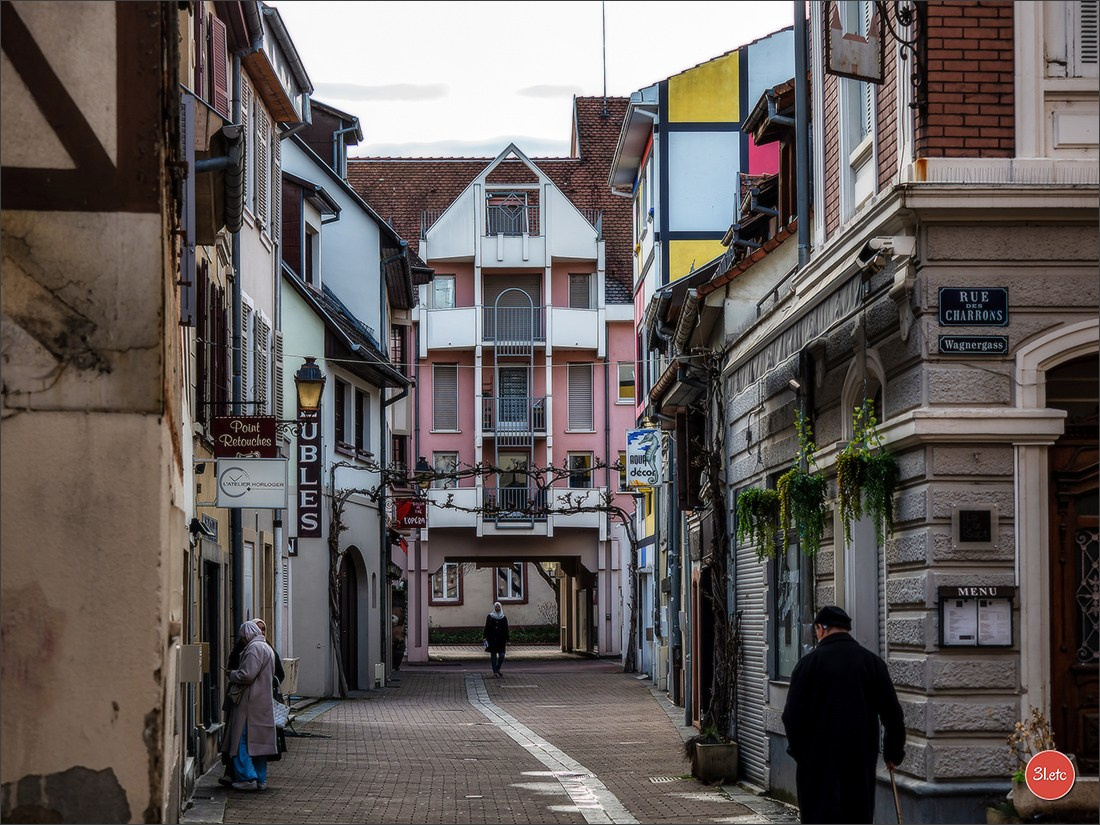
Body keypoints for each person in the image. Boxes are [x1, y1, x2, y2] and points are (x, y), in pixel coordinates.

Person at [781, 605, 906, 824]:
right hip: (859, 760)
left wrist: (802, 754)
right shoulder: (872, 663)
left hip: (817, 765)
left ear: (821, 629)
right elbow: (892, 714)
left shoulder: (808, 665)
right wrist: (892, 753)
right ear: (846, 629)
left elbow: (791, 716)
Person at [222, 620, 279, 791]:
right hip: (263, 702)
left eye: (243, 637)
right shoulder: (267, 647)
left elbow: (247, 675)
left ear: (247, 634)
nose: (242, 640)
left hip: (249, 702)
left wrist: (232, 674)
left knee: (241, 740)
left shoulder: (254, 648)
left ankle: (247, 777)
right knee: (259, 744)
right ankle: (261, 779)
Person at [483, 601, 509, 678]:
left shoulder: (503, 617)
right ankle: (495, 672)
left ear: (500, 608)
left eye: (498, 607)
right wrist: (484, 637)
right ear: (494, 608)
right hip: (492, 639)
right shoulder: (490, 616)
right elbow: (487, 627)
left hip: (501, 640)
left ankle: (498, 669)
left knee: (502, 655)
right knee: (493, 657)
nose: (497, 608)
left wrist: (508, 640)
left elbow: (506, 629)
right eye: (496, 607)